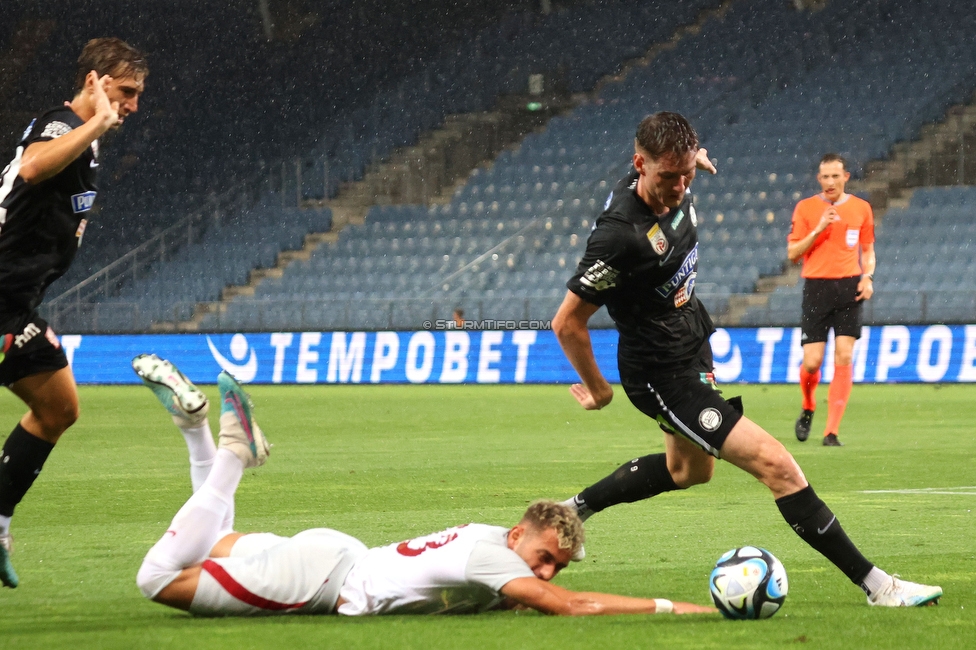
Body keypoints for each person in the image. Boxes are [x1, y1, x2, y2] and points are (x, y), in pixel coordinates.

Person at [552, 112, 940, 607]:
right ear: (639, 167)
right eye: (668, 177)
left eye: (686, 173)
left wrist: (695, 160)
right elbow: (566, 323)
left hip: (691, 340)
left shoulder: (678, 174)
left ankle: (573, 511)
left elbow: (679, 167)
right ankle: (879, 586)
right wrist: (601, 390)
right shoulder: (618, 235)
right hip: (660, 375)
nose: (679, 187)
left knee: (688, 472)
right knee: (777, 465)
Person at [131, 354, 715, 617]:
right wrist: (673, 607)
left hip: (338, 557)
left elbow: (542, 548)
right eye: (542, 559)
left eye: (554, 566)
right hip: (318, 580)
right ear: (517, 536)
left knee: (211, 538)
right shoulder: (494, 558)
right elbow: (571, 607)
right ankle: (233, 454)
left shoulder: (500, 542)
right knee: (155, 579)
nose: (545, 575)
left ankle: (192, 427)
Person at [0, 37, 147, 588]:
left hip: (16, 306)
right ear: (94, 82)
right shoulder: (63, 125)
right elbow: (34, 168)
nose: (131, 105)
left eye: (136, 94)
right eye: (125, 90)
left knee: (59, 407)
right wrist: (96, 126)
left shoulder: (83, 140)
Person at [787, 154, 875, 447]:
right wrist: (819, 228)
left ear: (846, 177)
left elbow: (868, 250)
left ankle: (831, 432)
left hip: (849, 286)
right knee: (812, 362)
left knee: (845, 356)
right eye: (825, 177)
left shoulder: (862, 208)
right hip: (816, 288)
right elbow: (793, 253)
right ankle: (809, 405)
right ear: (819, 179)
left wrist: (868, 276)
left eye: (835, 176)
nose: (830, 182)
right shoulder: (806, 208)